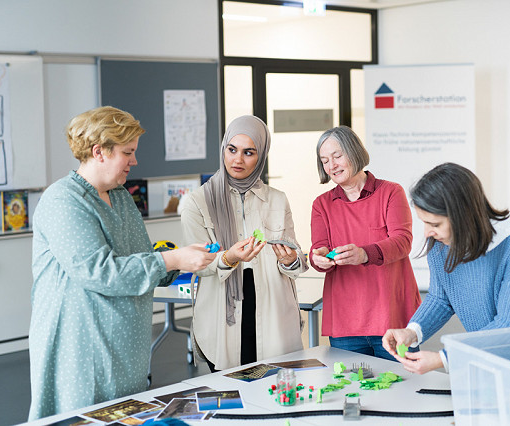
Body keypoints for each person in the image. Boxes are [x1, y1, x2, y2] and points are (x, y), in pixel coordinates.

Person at [28, 106, 216, 420]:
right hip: (81, 348)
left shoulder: (120, 197)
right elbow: (101, 273)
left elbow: (142, 258)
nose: (134, 161)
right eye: (128, 152)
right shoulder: (62, 200)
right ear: (98, 151)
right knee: (83, 417)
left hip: (125, 349)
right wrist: (171, 258)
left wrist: (182, 260)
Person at [382, 162, 510, 374]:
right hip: (501, 349)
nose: (427, 233)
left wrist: (444, 358)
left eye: (435, 224)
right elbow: (441, 298)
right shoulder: (440, 242)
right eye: (424, 222)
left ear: (462, 216)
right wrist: (412, 331)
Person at [180, 115, 308, 371]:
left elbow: (297, 261)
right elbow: (198, 264)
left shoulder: (277, 200)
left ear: (261, 156)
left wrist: (290, 259)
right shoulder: (197, 202)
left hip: (272, 308)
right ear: (224, 149)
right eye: (232, 149)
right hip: (223, 311)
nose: (238, 159)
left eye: (249, 152)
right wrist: (229, 257)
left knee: (275, 385)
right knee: (229, 392)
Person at [310, 125, 421, 360]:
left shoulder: (391, 192)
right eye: (325, 161)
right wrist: (318, 258)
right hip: (345, 322)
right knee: (348, 392)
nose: (332, 166)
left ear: (354, 152)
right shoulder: (321, 205)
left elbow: (403, 241)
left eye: (337, 156)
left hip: (392, 318)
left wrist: (364, 254)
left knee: (403, 390)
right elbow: (318, 250)